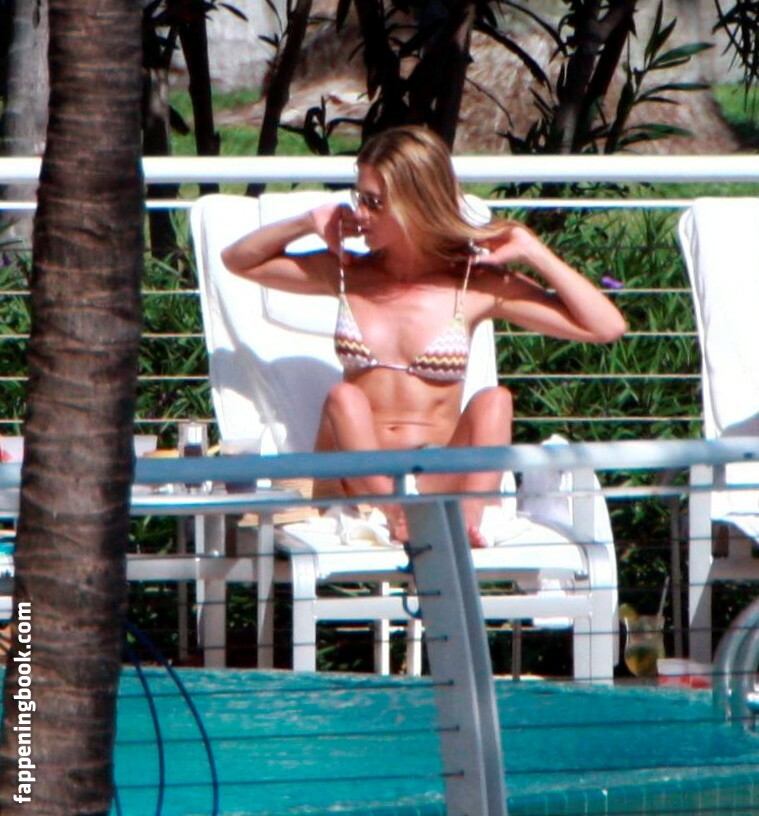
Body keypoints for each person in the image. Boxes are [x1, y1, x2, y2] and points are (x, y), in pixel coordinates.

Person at [221, 125, 627, 546]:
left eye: (374, 202)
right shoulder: (347, 272)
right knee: (345, 398)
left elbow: (606, 326)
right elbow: (238, 261)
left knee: (495, 401)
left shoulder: (474, 284)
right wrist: (307, 222)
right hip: (354, 481)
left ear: (416, 202)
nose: (361, 214)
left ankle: (469, 520)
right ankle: (396, 513)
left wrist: (531, 248)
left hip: (438, 474)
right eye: (359, 199)